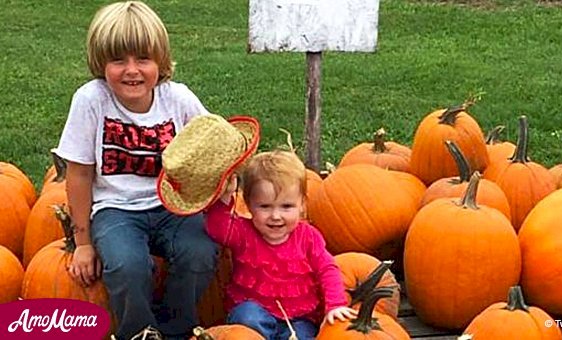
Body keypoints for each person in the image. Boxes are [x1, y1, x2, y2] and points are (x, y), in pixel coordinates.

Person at [55, 2, 219, 339]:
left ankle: (176, 328)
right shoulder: (91, 101)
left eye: (143, 59)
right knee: (127, 265)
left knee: (200, 252)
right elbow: (80, 173)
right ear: (102, 63)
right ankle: (140, 332)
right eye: (119, 60)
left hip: (173, 206)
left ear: (160, 61)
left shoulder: (178, 99)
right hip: (115, 209)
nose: (132, 70)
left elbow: (212, 143)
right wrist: (82, 243)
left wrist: (224, 176)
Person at [204, 150, 357, 340]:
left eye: (286, 206)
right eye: (265, 206)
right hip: (255, 312)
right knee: (247, 318)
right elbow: (217, 228)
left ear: (302, 204)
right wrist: (225, 195)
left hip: (299, 317)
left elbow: (327, 269)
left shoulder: (308, 237)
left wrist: (335, 305)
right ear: (249, 204)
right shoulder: (243, 233)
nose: (276, 216)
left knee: (302, 336)